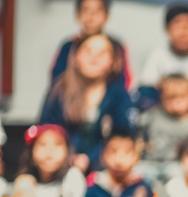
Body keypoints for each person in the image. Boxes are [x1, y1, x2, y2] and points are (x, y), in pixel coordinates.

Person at [39, 33, 135, 171]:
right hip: (59, 166)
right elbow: (46, 130)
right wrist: (66, 158)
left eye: (102, 53)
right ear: (76, 57)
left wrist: (90, 159)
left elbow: (124, 136)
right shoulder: (59, 90)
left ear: (112, 62)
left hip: (106, 170)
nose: (94, 58)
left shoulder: (120, 94)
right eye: (88, 51)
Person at [136, 3, 188, 111]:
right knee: (144, 93)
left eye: (187, 27)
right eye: (177, 26)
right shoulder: (157, 53)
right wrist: (174, 88)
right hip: (166, 101)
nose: (183, 32)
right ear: (167, 29)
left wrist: (185, 89)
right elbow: (147, 83)